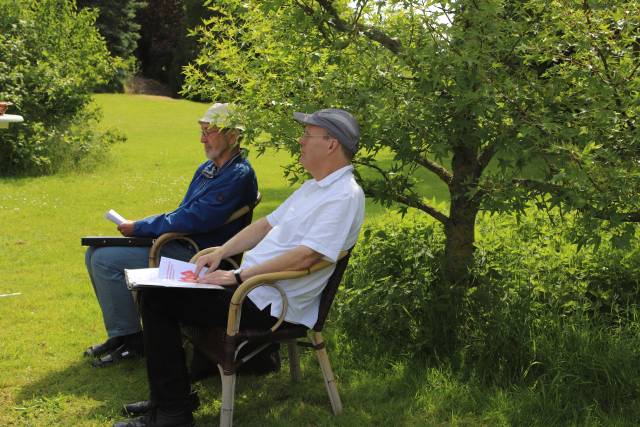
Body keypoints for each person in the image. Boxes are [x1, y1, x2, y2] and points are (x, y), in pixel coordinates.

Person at [113, 108, 365, 427]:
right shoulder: (315, 187)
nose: (300, 141)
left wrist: (237, 275)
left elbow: (307, 257)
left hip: (269, 303)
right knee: (156, 290)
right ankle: (169, 400)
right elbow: (264, 224)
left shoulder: (344, 196)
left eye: (307, 135)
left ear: (331, 144)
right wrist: (221, 252)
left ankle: (172, 412)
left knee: (156, 299)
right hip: (252, 290)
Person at [84, 103, 258, 368]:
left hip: (199, 255)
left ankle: (132, 341)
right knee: (94, 254)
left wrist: (141, 227)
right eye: (202, 131)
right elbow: (185, 213)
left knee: (104, 259)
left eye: (209, 132)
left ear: (233, 136)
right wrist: (146, 228)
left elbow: (194, 218)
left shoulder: (237, 175)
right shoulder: (209, 168)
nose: (202, 138)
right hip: (183, 245)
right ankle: (121, 335)